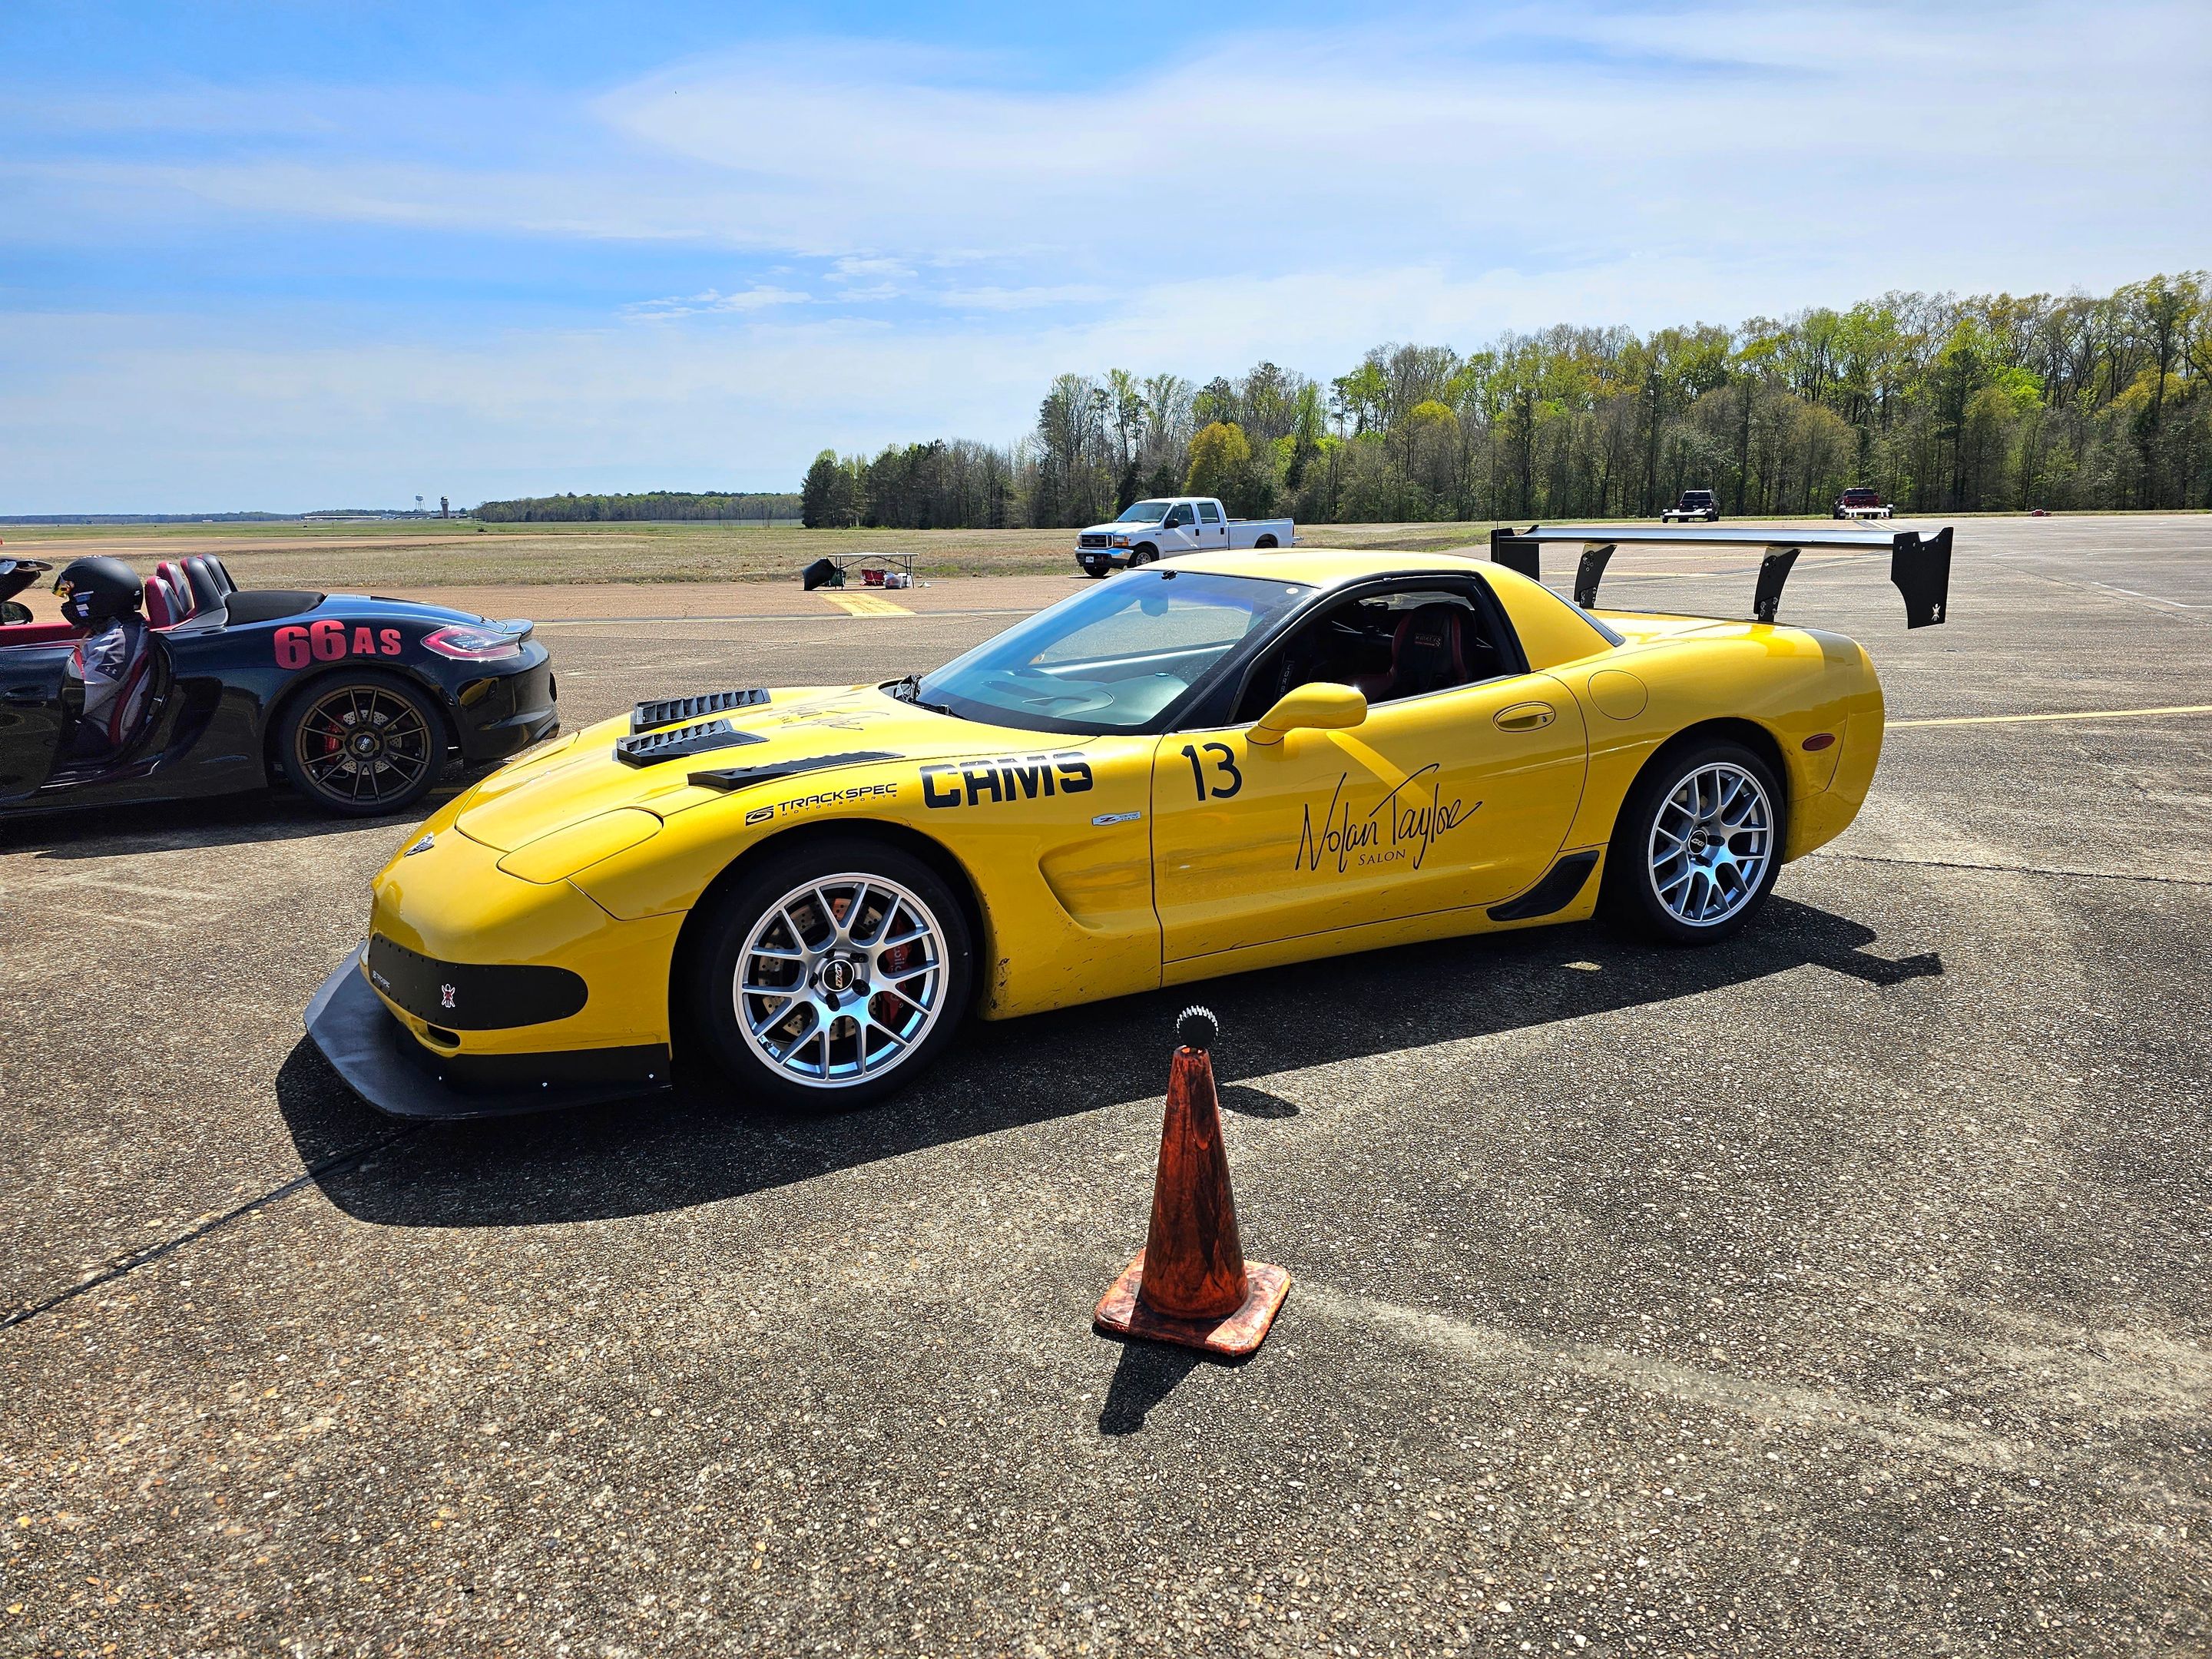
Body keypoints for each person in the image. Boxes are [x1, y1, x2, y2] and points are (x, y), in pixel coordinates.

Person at [51, 555, 154, 759]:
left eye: (73, 597)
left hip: (93, 731)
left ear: (96, 598)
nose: (69, 604)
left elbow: (79, 702)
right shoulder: (121, 631)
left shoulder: (118, 643)